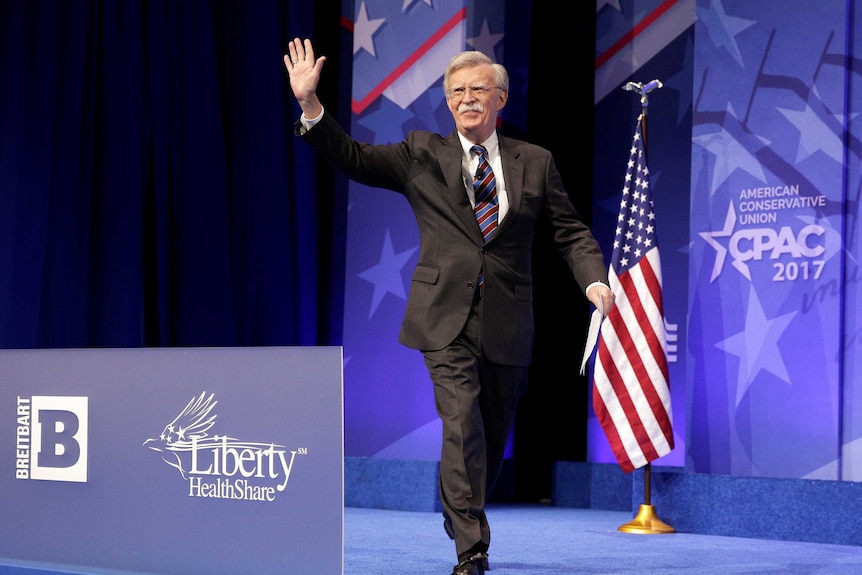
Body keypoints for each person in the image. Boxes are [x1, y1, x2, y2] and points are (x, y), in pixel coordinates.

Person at [284, 37, 615, 575]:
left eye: (478, 89)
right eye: (457, 91)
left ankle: (460, 507)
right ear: (447, 101)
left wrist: (593, 283)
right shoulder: (421, 153)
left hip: (509, 320)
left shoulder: (536, 162)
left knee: (489, 432)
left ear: (500, 98)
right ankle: (472, 548)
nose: (466, 98)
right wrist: (310, 106)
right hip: (442, 316)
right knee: (461, 422)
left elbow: (571, 232)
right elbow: (354, 157)